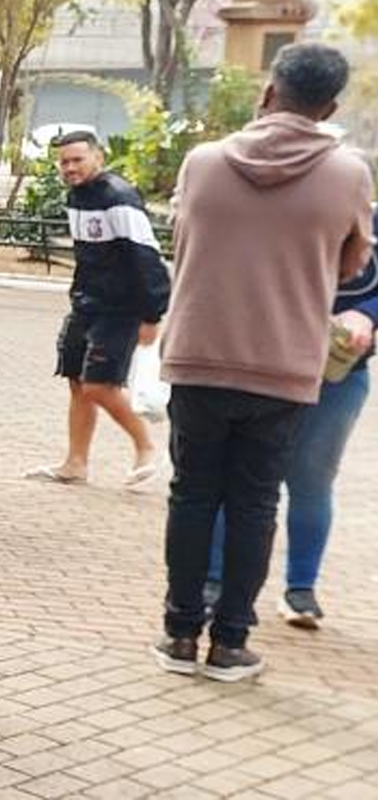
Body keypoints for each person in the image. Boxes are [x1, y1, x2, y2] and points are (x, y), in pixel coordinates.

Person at [155, 41, 371, 683]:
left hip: (198, 354)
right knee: (254, 504)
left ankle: (177, 634)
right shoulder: (349, 174)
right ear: (330, 106)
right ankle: (230, 644)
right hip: (284, 363)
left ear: (268, 92)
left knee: (191, 496)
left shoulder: (203, 162)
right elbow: (352, 263)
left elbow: (182, 238)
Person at [206, 206, 378, 630]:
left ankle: (301, 589)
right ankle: (212, 581)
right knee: (240, 474)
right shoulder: (284, 209)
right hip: (265, 363)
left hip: (338, 374)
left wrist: (368, 314)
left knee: (311, 479)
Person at [24, 130, 171, 488]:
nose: (70, 167)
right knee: (76, 380)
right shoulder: (77, 196)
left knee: (98, 386)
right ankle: (75, 462)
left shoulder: (118, 197)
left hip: (120, 308)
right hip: (86, 303)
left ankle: (146, 446)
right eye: (64, 162)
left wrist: (152, 313)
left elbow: (145, 255)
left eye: (78, 160)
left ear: (98, 158)